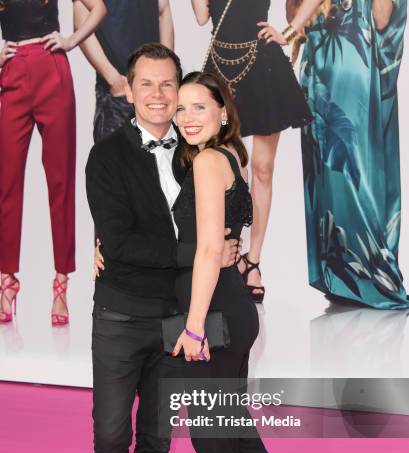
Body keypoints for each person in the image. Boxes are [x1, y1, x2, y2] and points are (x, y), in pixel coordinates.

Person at [85, 43, 241, 453]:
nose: (157, 95)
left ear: (180, 91)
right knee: (110, 436)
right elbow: (122, 244)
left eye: (167, 85)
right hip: (122, 316)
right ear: (128, 90)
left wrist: (233, 243)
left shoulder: (195, 152)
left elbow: (228, 208)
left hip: (177, 318)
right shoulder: (107, 156)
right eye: (146, 84)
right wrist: (198, 253)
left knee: (156, 439)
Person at [169, 71, 326, 453]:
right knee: (232, 431)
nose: (187, 116)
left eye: (199, 107)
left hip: (212, 316)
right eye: (181, 108)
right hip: (226, 309)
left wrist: (193, 326)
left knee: (213, 440)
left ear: (221, 111)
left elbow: (210, 251)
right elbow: (220, 244)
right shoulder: (225, 158)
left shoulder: (210, 162)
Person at [284, 0, 408, 309]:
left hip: (349, 73)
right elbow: (295, 14)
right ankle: (344, 275)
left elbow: (382, 22)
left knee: (353, 169)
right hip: (325, 72)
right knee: (333, 170)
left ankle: (368, 274)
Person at [191, 0, 312, 303]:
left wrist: (290, 31)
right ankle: (227, 255)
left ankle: (253, 261)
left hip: (261, 64)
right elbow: (202, 17)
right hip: (221, 64)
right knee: (225, 170)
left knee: (262, 167)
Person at [0, 0, 106, 324]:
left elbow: (98, 8)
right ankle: (7, 279)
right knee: (6, 182)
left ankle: (61, 283)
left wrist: (72, 40)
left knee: (61, 181)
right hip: (13, 72)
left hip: (52, 69)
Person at [74, 0, 175, 143]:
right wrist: (113, 79)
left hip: (153, 89)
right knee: (114, 160)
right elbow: (81, 21)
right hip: (118, 94)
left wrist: (166, 73)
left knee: (158, 160)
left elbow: (163, 11)